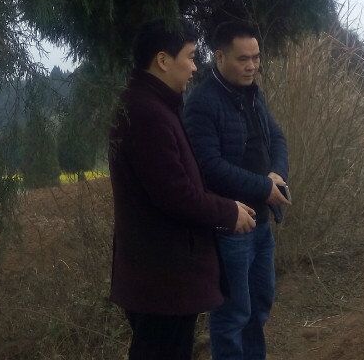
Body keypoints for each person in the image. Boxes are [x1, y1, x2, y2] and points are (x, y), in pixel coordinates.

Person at [109, 18, 258, 360]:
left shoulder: (156, 105)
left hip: (163, 276)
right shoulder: (146, 114)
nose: (194, 68)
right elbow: (175, 194)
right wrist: (228, 211)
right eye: (190, 57)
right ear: (163, 60)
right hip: (161, 278)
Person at [182, 21, 290, 360]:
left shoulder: (253, 94)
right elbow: (209, 166)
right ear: (219, 57)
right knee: (232, 315)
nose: (252, 66)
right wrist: (264, 187)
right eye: (243, 59)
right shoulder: (202, 103)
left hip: (261, 223)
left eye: (256, 58)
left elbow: (277, 138)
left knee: (260, 306)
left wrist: (277, 173)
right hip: (230, 228)